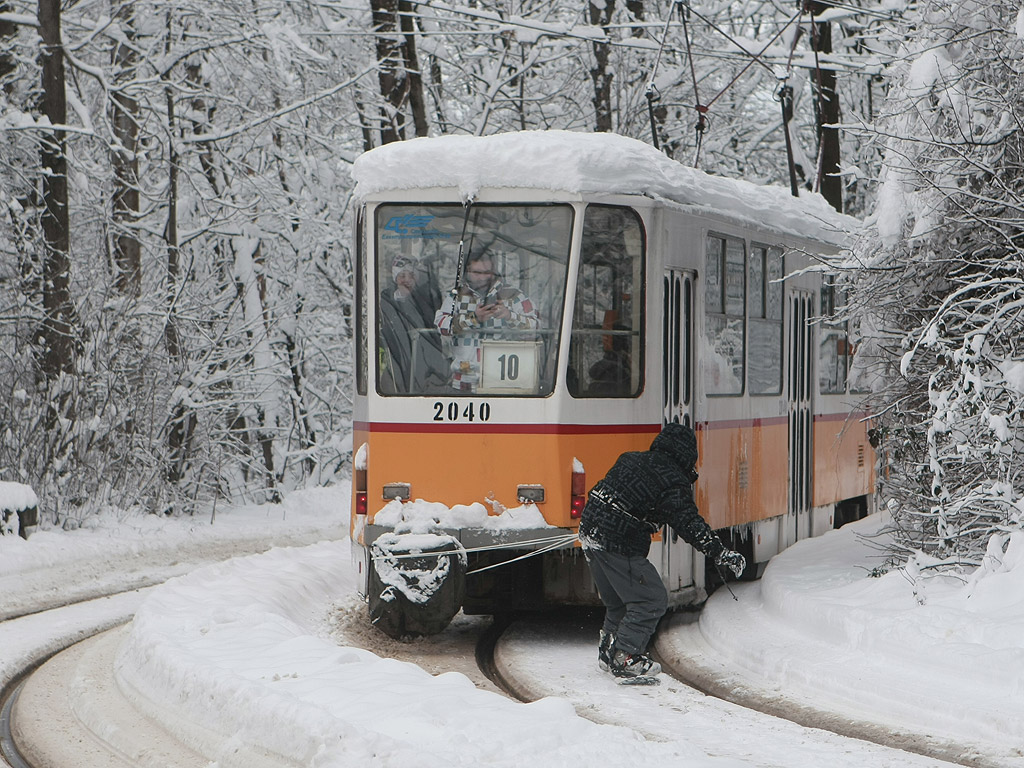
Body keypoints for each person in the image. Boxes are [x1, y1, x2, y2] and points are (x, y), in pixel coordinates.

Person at [579, 422, 746, 680]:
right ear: (687, 454)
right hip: (618, 541)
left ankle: (608, 651)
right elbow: (689, 523)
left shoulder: (631, 458)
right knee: (650, 598)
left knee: (619, 602)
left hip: (590, 532)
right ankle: (626, 655)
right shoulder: (672, 480)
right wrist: (719, 552)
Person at [434, 248, 539, 391]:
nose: (482, 278)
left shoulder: (514, 295)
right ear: (467, 271)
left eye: (487, 273)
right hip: (463, 382)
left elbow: (536, 328)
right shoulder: (455, 296)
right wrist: (473, 319)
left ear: (494, 271)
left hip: (503, 382)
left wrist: (510, 316)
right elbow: (441, 326)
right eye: (477, 273)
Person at [379, 256, 448, 392]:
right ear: (395, 278)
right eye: (402, 275)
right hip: (401, 359)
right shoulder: (386, 303)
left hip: (425, 358)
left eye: (411, 275)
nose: (407, 280)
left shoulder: (425, 302)